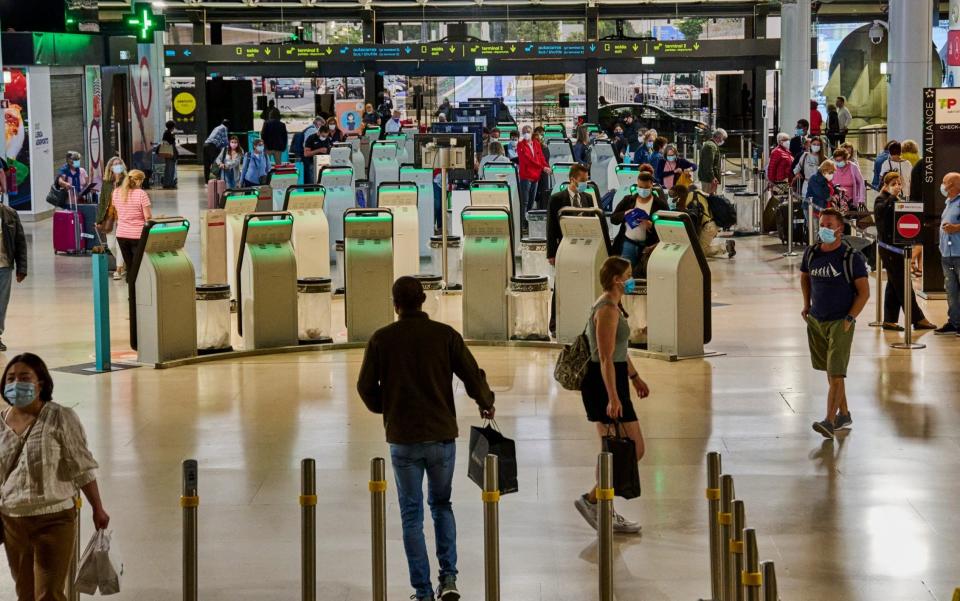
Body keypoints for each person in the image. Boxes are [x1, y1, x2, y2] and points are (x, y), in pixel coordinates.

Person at [357, 277, 495, 601]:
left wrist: (386, 406)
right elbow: (472, 376)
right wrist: (485, 401)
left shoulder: (381, 339)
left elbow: (365, 388)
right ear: (423, 301)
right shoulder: (445, 336)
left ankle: (422, 591)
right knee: (442, 505)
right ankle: (449, 578)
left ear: (395, 305)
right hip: (441, 437)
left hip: (403, 439)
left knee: (411, 515)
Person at [0, 353, 110, 600]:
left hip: (54, 517)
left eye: (24, 377)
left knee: (49, 593)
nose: (16, 383)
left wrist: (97, 508)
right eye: (10, 378)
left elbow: (80, 467)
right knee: (25, 593)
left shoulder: (61, 417)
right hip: (13, 519)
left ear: (40, 383)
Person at [573, 256, 649, 534]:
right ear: (617, 280)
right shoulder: (606, 309)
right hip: (603, 384)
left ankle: (605, 508)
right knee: (633, 448)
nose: (631, 279)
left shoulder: (614, 306)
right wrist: (613, 397)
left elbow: (618, 352)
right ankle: (592, 500)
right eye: (628, 275)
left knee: (612, 450)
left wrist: (635, 376)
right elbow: (605, 358)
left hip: (614, 380)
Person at [800, 208, 870, 439]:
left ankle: (829, 421)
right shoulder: (812, 252)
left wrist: (850, 319)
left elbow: (864, 293)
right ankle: (844, 414)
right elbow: (805, 276)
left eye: (829, 225)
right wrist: (806, 305)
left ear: (840, 229)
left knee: (837, 372)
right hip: (817, 319)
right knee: (830, 372)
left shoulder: (851, 257)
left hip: (841, 321)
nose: (824, 229)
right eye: (822, 224)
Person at [873, 172, 937, 332]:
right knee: (903, 285)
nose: (898, 186)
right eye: (894, 183)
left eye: (899, 183)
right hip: (889, 250)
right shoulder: (881, 200)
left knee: (894, 285)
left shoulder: (897, 200)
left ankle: (889, 320)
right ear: (886, 185)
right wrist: (893, 198)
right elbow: (884, 217)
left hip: (898, 249)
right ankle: (918, 318)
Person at [547, 164, 593, 333]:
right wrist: (551, 253)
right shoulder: (557, 198)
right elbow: (551, 227)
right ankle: (554, 324)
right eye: (582, 180)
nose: (585, 183)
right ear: (572, 179)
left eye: (586, 180)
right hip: (563, 247)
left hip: (584, 248)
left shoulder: (587, 198)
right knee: (560, 284)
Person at [610, 172, 668, 274]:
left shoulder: (660, 204)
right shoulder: (628, 200)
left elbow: (666, 228)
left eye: (646, 187)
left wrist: (652, 225)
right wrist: (625, 214)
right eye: (640, 187)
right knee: (625, 274)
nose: (643, 190)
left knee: (645, 275)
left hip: (648, 247)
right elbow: (613, 219)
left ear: (651, 185)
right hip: (628, 243)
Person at [113, 169, 152, 284]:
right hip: (138, 235)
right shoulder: (141, 194)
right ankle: (139, 296)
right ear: (139, 181)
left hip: (121, 234)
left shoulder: (116, 192)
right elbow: (148, 217)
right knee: (139, 267)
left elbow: (118, 211)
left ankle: (132, 296)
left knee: (130, 266)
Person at [936, 172, 960, 336]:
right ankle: (954, 323)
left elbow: (954, 226)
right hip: (947, 254)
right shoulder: (949, 202)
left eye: (945, 183)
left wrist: (956, 228)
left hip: (959, 253)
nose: (943, 186)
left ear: (953, 185)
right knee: (951, 291)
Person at [0, 200, 26, 352]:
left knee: (1, 303)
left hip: (4, 266)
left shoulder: (10, 214)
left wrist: (22, 268)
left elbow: (20, 242)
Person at [98, 157, 127, 281]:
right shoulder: (106, 183)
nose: (117, 166)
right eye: (114, 164)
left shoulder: (127, 181)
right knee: (111, 246)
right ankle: (124, 264)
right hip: (109, 216)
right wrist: (99, 220)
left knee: (120, 244)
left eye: (119, 164)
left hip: (123, 216)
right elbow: (102, 202)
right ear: (110, 168)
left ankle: (119, 269)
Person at [688, 188, 736, 259]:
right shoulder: (701, 193)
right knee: (701, 246)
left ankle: (726, 247)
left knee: (702, 251)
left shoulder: (688, 197)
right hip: (713, 223)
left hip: (708, 227)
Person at [518, 125, 551, 215]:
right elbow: (528, 160)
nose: (526, 134)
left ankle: (528, 221)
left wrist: (546, 166)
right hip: (526, 177)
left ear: (532, 132)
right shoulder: (520, 145)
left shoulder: (536, 144)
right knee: (525, 202)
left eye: (528, 132)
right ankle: (523, 224)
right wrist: (542, 167)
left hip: (535, 177)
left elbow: (540, 157)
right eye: (524, 132)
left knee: (531, 202)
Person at [804, 160, 835, 229]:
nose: (832, 174)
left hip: (820, 209)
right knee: (815, 231)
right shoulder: (815, 179)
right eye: (831, 172)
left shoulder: (825, 180)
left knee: (821, 231)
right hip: (813, 209)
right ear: (824, 170)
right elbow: (820, 193)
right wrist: (830, 197)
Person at [698, 129, 726, 195]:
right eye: (723, 138)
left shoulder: (710, 144)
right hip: (708, 180)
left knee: (711, 199)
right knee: (708, 199)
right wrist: (712, 177)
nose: (723, 140)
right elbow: (708, 165)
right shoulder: (711, 146)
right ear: (719, 137)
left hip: (708, 178)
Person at [160, 120, 179, 189]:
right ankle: (168, 183)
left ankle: (168, 183)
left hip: (169, 154)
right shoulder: (168, 133)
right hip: (170, 154)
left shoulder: (167, 133)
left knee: (170, 169)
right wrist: (173, 137)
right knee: (169, 169)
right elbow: (171, 143)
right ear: (172, 127)